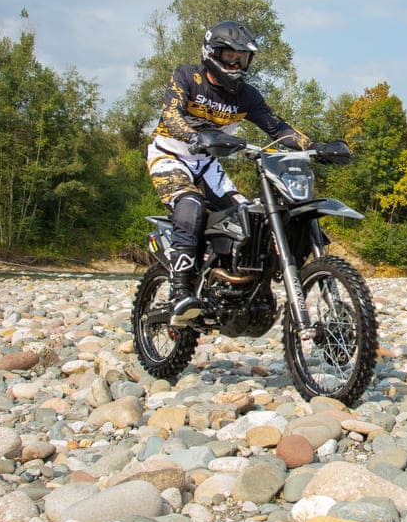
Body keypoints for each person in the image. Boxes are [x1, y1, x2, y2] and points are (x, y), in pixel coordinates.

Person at [146, 20, 341, 322]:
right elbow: (172, 114)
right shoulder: (187, 76)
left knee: (246, 218)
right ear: (212, 53)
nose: (236, 64)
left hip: (207, 164)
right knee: (190, 203)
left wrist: (315, 147)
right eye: (230, 56)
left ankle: (226, 281)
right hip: (170, 155)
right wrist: (194, 136)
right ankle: (180, 292)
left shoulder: (247, 96)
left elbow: (277, 128)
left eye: (243, 58)